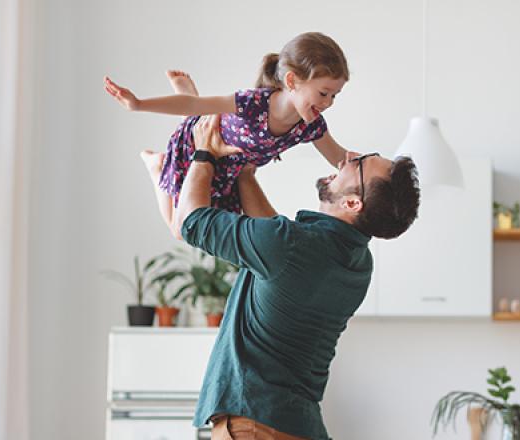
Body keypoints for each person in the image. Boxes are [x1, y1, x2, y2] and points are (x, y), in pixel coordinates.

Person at [173, 114, 420, 439]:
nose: (347, 156)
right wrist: (245, 175)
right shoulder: (358, 263)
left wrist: (202, 153)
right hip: (296, 426)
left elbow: (189, 223)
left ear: (352, 202)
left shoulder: (291, 246)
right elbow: (279, 251)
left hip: (254, 426)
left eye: (359, 163)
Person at [103, 32, 352, 238]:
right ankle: (157, 166)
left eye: (335, 95)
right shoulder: (253, 103)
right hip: (196, 149)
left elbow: (341, 158)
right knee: (180, 231)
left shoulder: (311, 125)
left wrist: (387, 169)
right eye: (323, 93)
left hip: (228, 171)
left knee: (204, 228)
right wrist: (138, 104)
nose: (329, 102)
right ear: (292, 80)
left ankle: (192, 104)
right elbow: (191, 105)